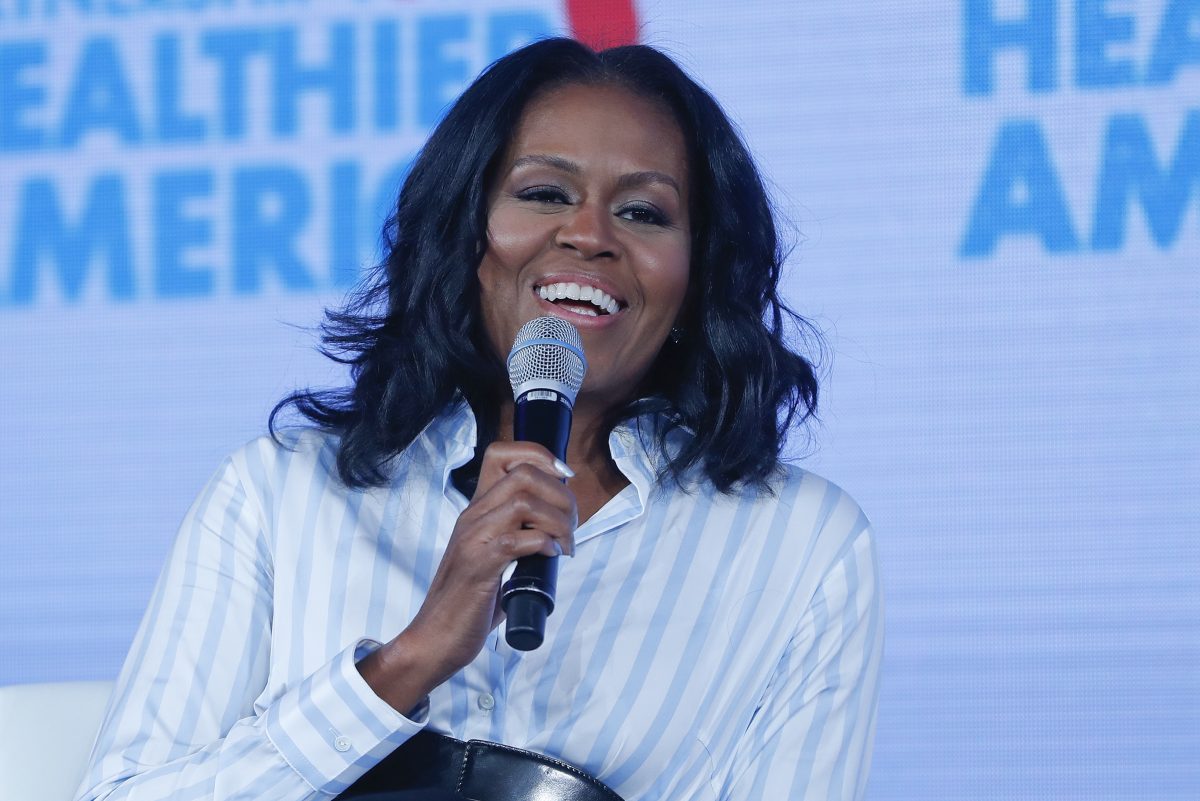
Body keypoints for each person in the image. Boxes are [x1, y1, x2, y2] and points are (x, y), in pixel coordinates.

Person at [76, 37, 882, 801]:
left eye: (643, 212)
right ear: (464, 239)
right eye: (543, 194)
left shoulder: (803, 545)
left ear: (696, 275)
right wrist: (409, 660)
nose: (589, 234)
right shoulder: (279, 493)